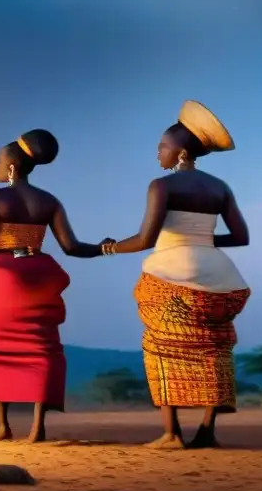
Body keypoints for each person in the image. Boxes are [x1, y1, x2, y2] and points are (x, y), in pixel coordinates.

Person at [0, 129, 104, 443]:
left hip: (2, 277)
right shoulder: (49, 201)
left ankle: (3, 426)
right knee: (41, 348)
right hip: (39, 273)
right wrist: (103, 247)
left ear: (11, 167)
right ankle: (38, 427)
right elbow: (72, 246)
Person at [99, 101, 250, 450]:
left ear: (181, 153)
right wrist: (200, 240)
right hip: (221, 277)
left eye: (161, 148)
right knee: (214, 348)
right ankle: (208, 432)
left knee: (160, 346)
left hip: (172, 274)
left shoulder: (161, 186)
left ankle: (171, 434)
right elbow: (241, 237)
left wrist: (107, 247)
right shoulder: (220, 187)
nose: (158, 156)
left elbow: (144, 240)